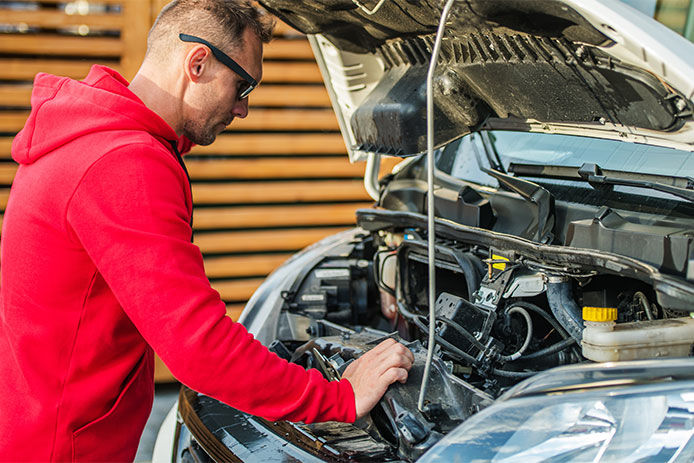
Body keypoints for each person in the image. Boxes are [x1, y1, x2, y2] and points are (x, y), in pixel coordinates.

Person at [0, 0, 414, 461]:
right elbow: (198, 346)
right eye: (243, 85)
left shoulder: (90, 136)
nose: (243, 109)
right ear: (197, 63)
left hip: (37, 427)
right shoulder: (122, 163)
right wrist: (338, 397)